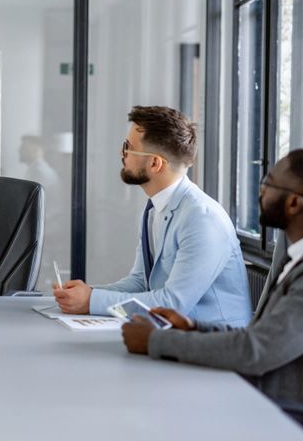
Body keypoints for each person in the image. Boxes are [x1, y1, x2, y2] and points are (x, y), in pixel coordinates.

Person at [122, 149, 303, 413]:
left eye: (267, 184)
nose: (260, 192)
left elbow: (257, 351)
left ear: (294, 203)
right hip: (253, 397)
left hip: (275, 416)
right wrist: (192, 327)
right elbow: (262, 337)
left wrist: (155, 341)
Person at [53, 106, 251, 327]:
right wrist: (87, 293)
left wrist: (91, 301)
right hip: (171, 337)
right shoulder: (155, 208)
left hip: (214, 349)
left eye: (128, 147)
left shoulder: (202, 219)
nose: (122, 154)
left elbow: (173, 304)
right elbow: (140, 282)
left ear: (155, 163)